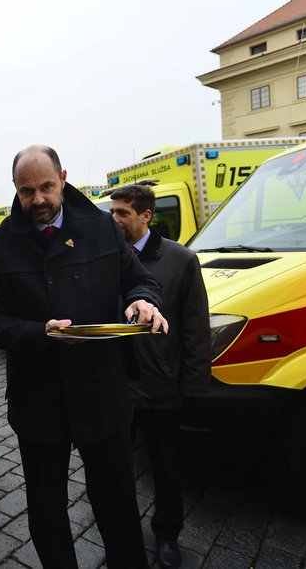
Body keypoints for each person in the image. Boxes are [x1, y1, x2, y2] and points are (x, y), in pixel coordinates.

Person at [0, 145, 167, 569]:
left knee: (117, 500)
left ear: (62, 177)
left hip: (103, 390)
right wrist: (38, 333)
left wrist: (141, 301)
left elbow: (139, 280)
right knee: (46, 508)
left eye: (45, 187)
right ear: (15, 190)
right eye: (27, 192)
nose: (38, 200)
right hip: (38, 396)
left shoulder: (101, 226)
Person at [110, 184, 211, 569]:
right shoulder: (109, 259)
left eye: (122, 213)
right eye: (113, 212)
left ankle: (167, 536)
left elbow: (195, 327)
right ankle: (123, 537)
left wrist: (193, 381)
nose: (115, 219)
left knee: (167, 468)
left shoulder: (181, 260)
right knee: (116, 471)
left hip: (161, 385)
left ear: (146, 216)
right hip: (117, 387)